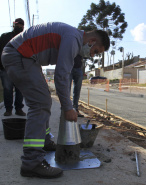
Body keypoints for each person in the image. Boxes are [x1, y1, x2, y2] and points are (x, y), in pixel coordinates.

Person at [1, 22, 110, 178]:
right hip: (19, 54)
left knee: (44, 100)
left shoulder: (73, 39)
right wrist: (68, 108)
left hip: (27, 57)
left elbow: (64, 77)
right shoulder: (73, 39)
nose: (92, 55)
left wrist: (68, 105)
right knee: (40, 104)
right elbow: (60, 76)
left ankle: (44, 141)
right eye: (95, 51)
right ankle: (31, 162)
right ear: (91, 40)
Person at [0, 18, 26, 116]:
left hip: (20, 69)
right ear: (13, 25)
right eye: (17, 24)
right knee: (7, 89)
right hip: (6, 68)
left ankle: (19, 109)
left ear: (23, 27)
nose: (18, 26)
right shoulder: (5, 36)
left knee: (20, 89)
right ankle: (8, 109)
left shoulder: (24, 39)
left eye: (20, 25)